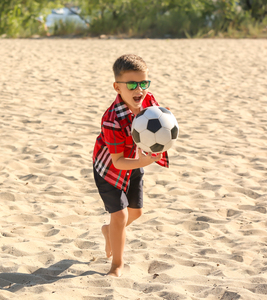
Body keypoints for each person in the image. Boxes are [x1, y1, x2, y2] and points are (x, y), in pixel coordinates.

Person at [92, 54, 169, 277]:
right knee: (121, 215)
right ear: (117, 87)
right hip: (109, 170)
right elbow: (117, 161)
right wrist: (143, 161)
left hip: (134, 161)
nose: (139, 89)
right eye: (132, 84)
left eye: (144, 83)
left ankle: (109, 232)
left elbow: (159, 125)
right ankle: (117, 265)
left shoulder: (149, 102)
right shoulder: (112, 119)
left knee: (136, 212)